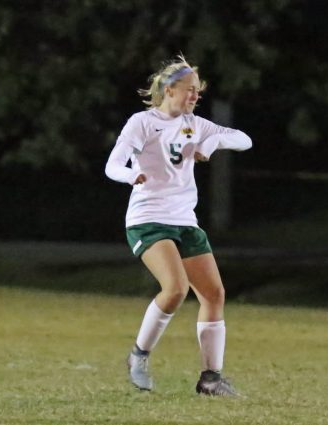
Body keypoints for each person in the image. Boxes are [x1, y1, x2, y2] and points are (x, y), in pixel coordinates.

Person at [105, 55, 252, 396]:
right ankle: (138, 356)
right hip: (148, 220)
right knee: (175, 289)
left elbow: (244, 139)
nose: (195, 97)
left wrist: (210, 143)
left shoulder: (196, 124)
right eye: (189, 90)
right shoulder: (142, 122)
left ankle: (211, 379)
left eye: (198, 91)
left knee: (214, 294)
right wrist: (131, 175)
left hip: (184, 221)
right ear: (169, 90)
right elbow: (113, 164)